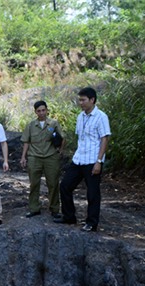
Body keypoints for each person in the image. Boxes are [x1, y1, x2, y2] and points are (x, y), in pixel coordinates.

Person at [54, 87, 111, 232]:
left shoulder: (101, 117)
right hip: (79, 159)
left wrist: (99, 161)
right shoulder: (80, 116)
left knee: (92, 193)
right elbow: (81, 138)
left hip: (93, 161)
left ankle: (92, 223)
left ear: (92, 100)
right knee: (65, 185)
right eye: (79, 100)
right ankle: (69, 217)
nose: (81, 103)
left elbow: (105, 139)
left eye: (83, 100)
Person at [20, 100, 65, 219]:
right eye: (39, 111)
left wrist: (60, 151)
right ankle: (34, 208)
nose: (41, 113)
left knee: (53, 183)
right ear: (35, 112)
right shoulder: (31, 125)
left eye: (43, 110)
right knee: (34, 183)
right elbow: (26, 141)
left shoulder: (53, 123)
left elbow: (63, 138)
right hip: (34, 156)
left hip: (51, 157)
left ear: (47, 110)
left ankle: (54, 209)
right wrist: (23, 157)